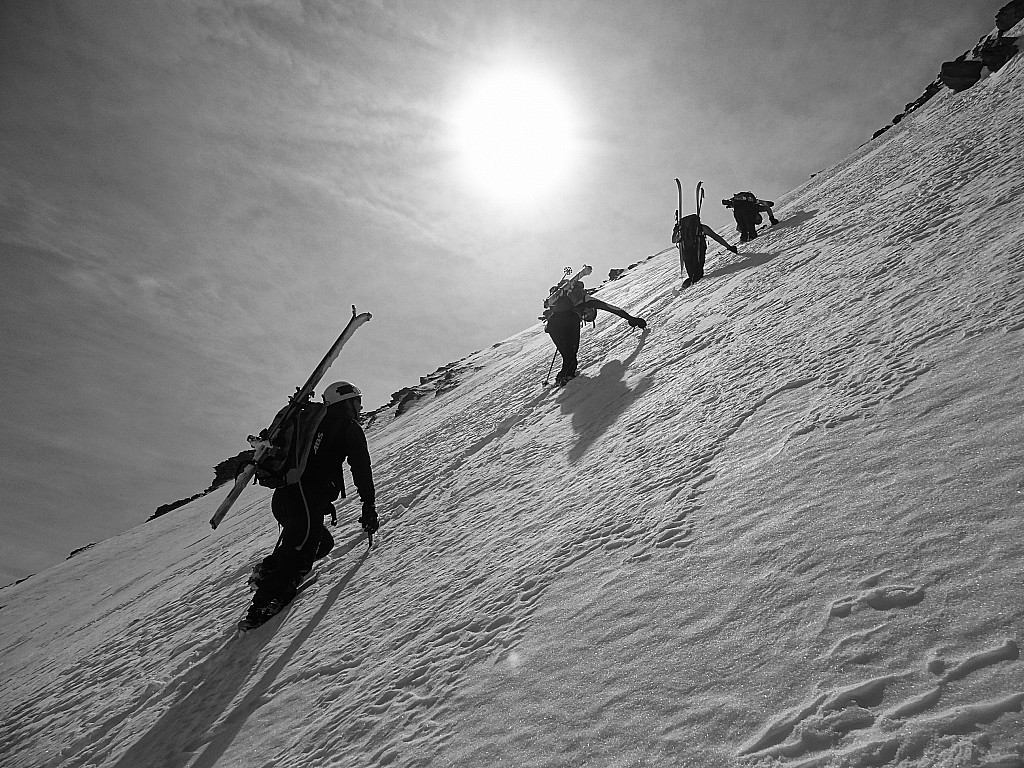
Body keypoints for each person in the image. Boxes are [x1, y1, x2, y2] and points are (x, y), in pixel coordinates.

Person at [240, 380, 376, 630]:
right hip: (305, 495)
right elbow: (361, 468)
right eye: (357, 401)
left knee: (321, 543)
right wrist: (369, 505)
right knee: (301, 551)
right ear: (346, 402)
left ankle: (268, 572)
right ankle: (261, 608)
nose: (360, 407)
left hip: (284, 496)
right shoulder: (347, 426)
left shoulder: (311, 423)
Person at [544, 285, 647, 387]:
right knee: (571, 351)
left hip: (552, 324)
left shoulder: (569, 302)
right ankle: (566, 377)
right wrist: (631, 319)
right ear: (592, 309)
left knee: (567, 353)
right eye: (588, 315)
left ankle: (563, 376)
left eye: (586, 317)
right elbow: (612, 308)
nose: (585, 315)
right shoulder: (588, 300)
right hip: (569, 320)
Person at [672, 213, 737, 286]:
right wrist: (728, 247)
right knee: (698, 273)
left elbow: (674, 240)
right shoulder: (700, 228)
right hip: (698, 251)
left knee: (692, 274)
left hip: (687, 253)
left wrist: (675, 231)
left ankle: (688, 285)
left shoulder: (683, 232)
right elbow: (715, 237)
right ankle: (692, 285)